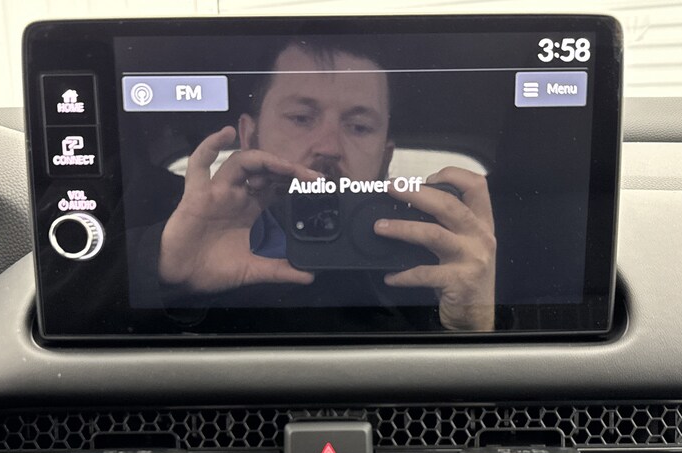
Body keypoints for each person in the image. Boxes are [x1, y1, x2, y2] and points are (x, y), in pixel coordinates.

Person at [157, 39, 497, 332]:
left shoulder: (434, 257)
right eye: (301, 118)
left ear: (384, 159)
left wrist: (471, 324)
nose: (330, 147)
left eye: (359, 126)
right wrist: (168, 279)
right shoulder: (185, 239)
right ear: (249, 136)